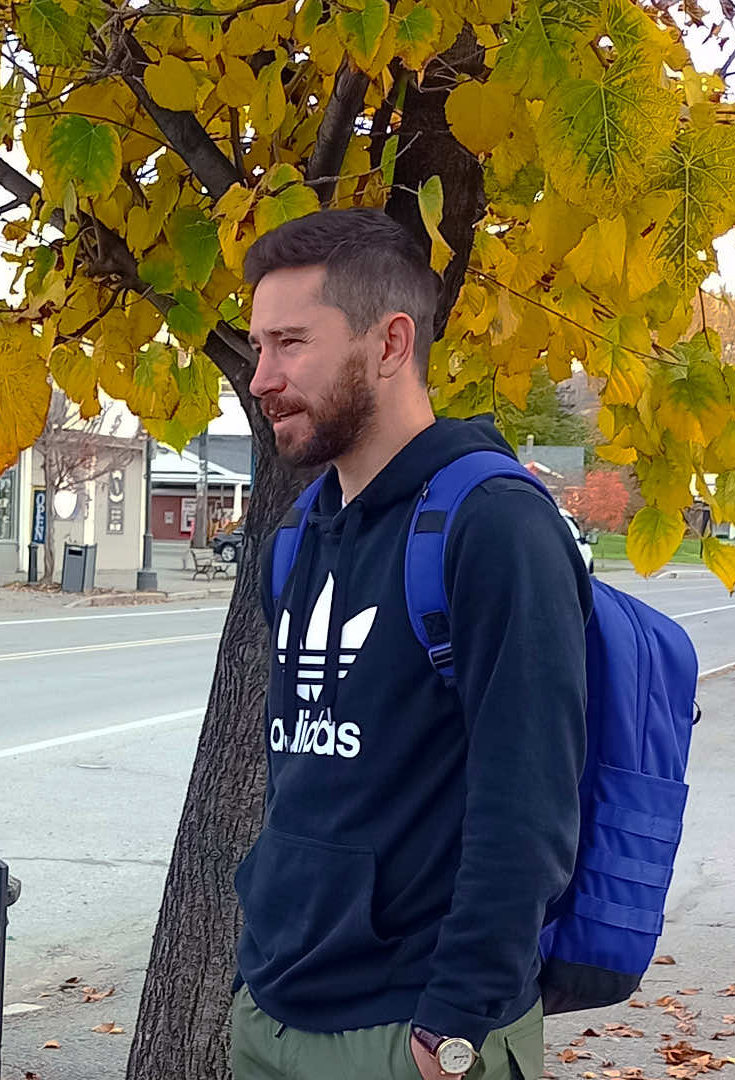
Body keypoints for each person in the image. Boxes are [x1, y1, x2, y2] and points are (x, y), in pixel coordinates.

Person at [230, 209, 591, 1080]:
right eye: (256, 347)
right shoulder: (299, 536)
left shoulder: (495, 526)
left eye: (289, 344)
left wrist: (456, 1027)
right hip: (274, 1016)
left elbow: (530, 808)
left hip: (412, 1036)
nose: (260, 378)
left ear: (391, 343)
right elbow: (305, 782)